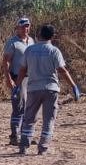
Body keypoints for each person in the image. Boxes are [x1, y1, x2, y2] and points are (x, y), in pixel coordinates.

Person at [15, 24, 81, 155]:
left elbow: (22, 69)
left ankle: (23, 146)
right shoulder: (54, 51)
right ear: (53, 36)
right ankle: (43, 147)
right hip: (51, 89)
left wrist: (17, 86)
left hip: (33, 89)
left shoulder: (30, 50)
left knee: (29, 118)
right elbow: (62, 70)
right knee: (49, 119)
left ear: (39, 35)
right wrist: (74, 86)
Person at [1, 16, 33, 144]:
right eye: (23, 26)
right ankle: (14, 136)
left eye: (27, 26)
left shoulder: (31, 41)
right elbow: (6, 61)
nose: (25, 28)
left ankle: (25, 136)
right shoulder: (12, 42)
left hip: (30, 79)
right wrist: (8, 79)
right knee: (18, 107)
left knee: (28, 107)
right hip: (16, 78)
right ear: (17, 28)